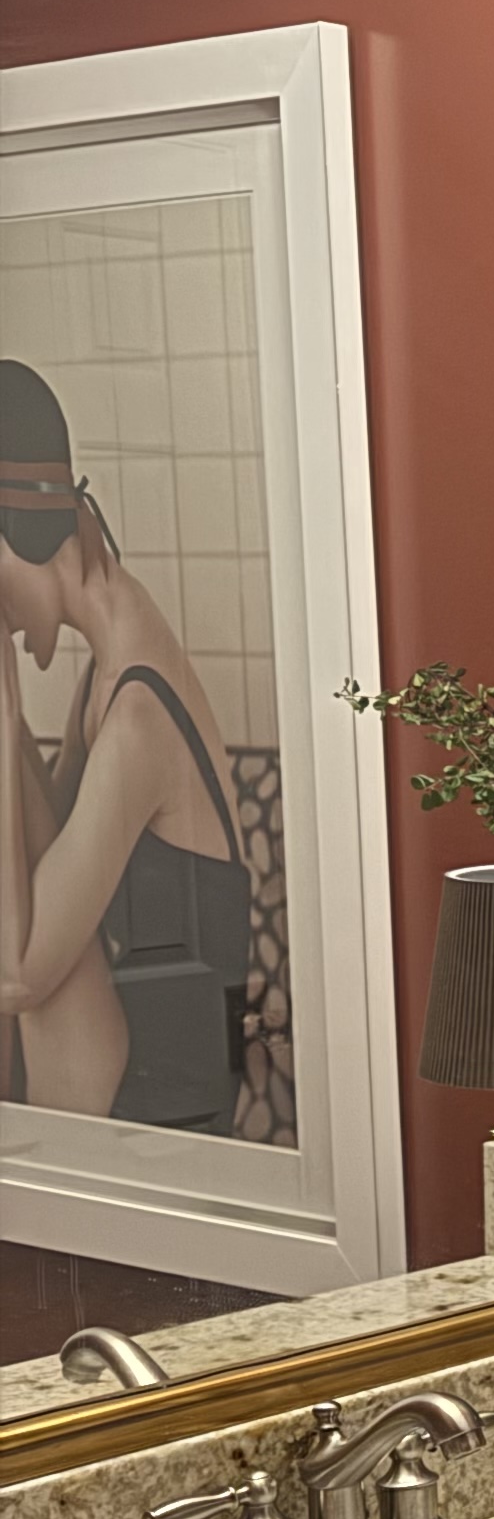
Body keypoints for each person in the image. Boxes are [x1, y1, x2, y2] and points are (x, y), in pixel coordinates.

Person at [0, 359, 254, 1131]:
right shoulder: (114, 677)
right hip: (136, 1106)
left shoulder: (140, 715)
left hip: (174, 1129)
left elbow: (19, 974)